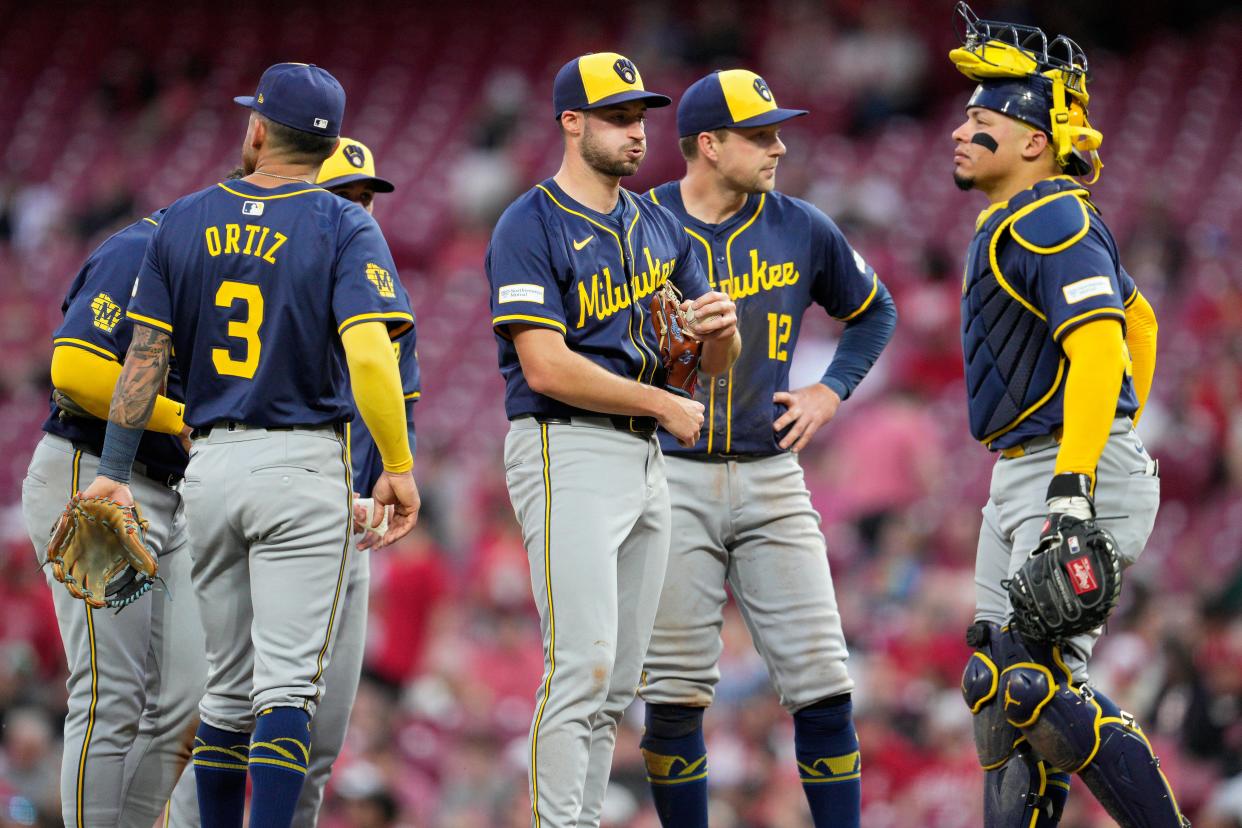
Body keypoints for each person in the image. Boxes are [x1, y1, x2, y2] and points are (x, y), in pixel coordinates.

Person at [77, 63, 420, 828]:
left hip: (212, 466)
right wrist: (396, 465)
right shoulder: (344, 222)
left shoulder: (185, 218)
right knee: (287, 690)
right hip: (301, 465)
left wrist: (112, 472)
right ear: (327, 147)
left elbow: (143, 359)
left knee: (227, 691)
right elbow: (370, 357)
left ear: (259, 128)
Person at [485, 51, 740, 828]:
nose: (637, 132)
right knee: (581, 668)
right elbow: (546, 363)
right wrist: (662, 402)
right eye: (618, 117)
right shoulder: (528, 222)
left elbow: (708, 365)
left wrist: (721, 331)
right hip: (566, 447)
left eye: (641, 117)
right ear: (571, 121)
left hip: (642, 458)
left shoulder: (656, 225)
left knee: (618, 683)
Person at [636, 70, 896, 828]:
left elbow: (873, 312)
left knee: (823, 683)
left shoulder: (800, 224)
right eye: (761, 134)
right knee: (676, 694)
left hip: (771, 473)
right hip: (669, 476)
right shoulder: (639, 223)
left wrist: (831, 389)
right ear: (708, 145)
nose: (779, 145)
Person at [948, 5, 1187, 826]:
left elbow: (1101, 347)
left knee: (1030, 686)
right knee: (995, 692)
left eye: (982, 120)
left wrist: (1085, 470)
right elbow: (1143, 322)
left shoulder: (1054, 213)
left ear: (1032, 141)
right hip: (1023, 469)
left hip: (1065, 473)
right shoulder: (1010, 221)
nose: (960, 130)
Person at [164, 137, 418, 826]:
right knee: (263, 696)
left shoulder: (366, 271)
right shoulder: (306, 254)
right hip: (302, 492)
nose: (359, 208)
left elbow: (404, 404)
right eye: (346, 194)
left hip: (325, 511)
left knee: (309, 732)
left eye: (366, 196)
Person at [20, 206, 206, 827]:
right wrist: (180, 417)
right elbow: (72, 369)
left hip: (173, 496)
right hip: (93, 468)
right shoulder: (149, 246)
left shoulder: (245, 272)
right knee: (112, 696)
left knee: (187, 703)